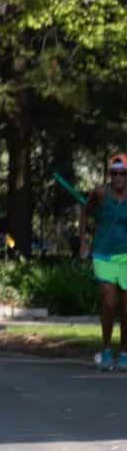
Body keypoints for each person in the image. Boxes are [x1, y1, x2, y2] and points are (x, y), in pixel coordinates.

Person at [80, 153, 127, 371]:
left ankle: (125, 352)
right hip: (103, 254)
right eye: (114, 173)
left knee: (126, 309)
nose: (117, 178)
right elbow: (85, 214)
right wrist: (83, 243)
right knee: (110, 303)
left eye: (122, 174)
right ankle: (107, 349)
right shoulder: (100, 192)